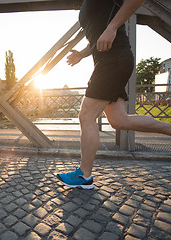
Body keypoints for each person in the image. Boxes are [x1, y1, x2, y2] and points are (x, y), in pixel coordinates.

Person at [55, 0, 171, 189]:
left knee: (86, 116)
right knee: (119, 121)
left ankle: (84, 176)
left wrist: (113, 26)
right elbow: (96, 35)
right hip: (109, 61)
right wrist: (81, 54)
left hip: (114, 59)